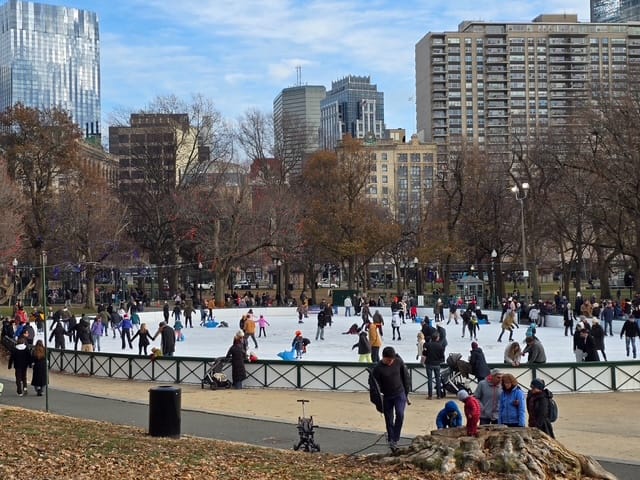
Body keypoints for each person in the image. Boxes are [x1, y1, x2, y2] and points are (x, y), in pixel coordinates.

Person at [370, 346, 411, 452]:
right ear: (383, 357)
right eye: (388, 360)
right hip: (387, 396)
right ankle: (391, 440)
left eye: (392, 360)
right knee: (389, 419)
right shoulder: (378, 368)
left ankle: (395, 438)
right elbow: (374, 386)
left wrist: (406, 392)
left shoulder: (398, 361)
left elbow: (405, 376)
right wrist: (378, 402)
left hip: (399, 393)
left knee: (400, 414)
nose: (390, 362)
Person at [422, 333, 445, 399]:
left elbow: (424, 353)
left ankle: (430, 395)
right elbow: (442, 356)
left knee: (429, 379)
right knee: (438, 379)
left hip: (429, 363)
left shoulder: (427, 345)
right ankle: (439, 395)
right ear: (437, 338)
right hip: (437, 364)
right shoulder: (440, 346)